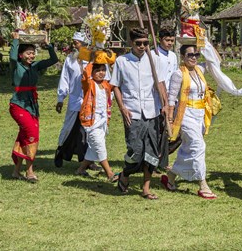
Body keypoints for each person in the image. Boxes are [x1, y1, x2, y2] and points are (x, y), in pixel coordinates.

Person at [111, 28, 167, 200]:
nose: (142, 47)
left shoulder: (155, 60)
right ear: (131, 43)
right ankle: (125, 175)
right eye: (138, 43)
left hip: (152, 111)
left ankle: (146, 188)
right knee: (135, 150)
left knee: (151, 151)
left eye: (145, 43)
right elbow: (115, 86)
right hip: (132, 112)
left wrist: (165, 105)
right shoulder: (122, 61)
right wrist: (122, 108)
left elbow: (161, 83)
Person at [161, 44, 217, 199]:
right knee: (198, 146)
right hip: (185, 115)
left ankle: (171, 176)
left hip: (200, 114)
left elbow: (216, 61)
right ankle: (203, 184)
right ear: (182, 57)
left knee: (188, 147)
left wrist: (204, 43)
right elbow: (171, 98)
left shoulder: (200, 69)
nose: (193, 57)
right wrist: (170, 119)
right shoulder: (178, 74)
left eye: (196, 54)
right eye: (190, 55)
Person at [9, 31, 58, 182]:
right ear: (21, 55)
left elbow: (53, 59)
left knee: (24, 137)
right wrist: (15, 41)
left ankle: (16, 171)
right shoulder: (16, 66)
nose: (31, 56)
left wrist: (48, 46)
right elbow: (11, 56)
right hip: (18, 105)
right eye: (28, 53)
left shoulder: (35, 67)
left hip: (32, 106)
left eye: (33, 53)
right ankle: (30, 171)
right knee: (32, 135)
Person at [54, 32, 96, 169]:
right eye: (73, 42)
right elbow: (65, 79)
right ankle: (60, 152)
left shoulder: (92, 59)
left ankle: (88, 160)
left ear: (84, 44)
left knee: (88, 130)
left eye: (76, 43)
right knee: (69, 127)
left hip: (89, 100)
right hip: (74, 100)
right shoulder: (70, 59)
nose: (74, 45)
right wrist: (61, 98)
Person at [74, 60, 118, 182]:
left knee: (93, 148)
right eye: (97, 70)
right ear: (92, 72)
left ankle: (81, 169)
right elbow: (86, 74)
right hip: (91, 120)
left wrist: (114, 66)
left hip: (103, 120)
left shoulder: (106, 85)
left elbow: (116, 81)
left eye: (103, 70)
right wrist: (93, 59)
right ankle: (109, 173)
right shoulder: (89, 84)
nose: (101, 73)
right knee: (99, 146)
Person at [155, 28, 179, 167]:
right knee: (160, 130)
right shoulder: (154, 55)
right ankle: (159, 160)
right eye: (167, 40)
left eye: (171, 40)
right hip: (158, 98)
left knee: (173, 131)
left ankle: (162, 157)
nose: (169, 43)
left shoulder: (173, 56)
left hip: (172, 96)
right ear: (160, 39)